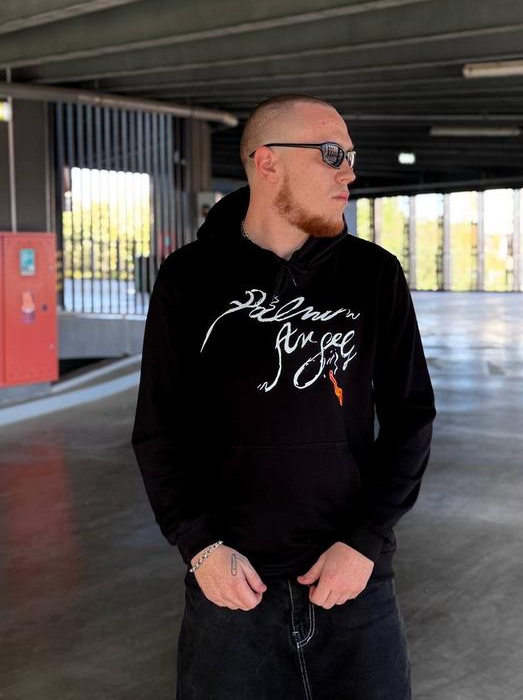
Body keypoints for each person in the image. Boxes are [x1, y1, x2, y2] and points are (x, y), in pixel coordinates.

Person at [131, 93, 436, 699]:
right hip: (232, 589)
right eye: (332, 154)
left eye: (351, 156)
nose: (349, 173)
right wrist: (200, 547)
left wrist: (366, 541)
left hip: (352, 583)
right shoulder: (190, 278)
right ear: (267, 162)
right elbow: (159, 429)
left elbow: (410, 417)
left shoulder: (374, 274)